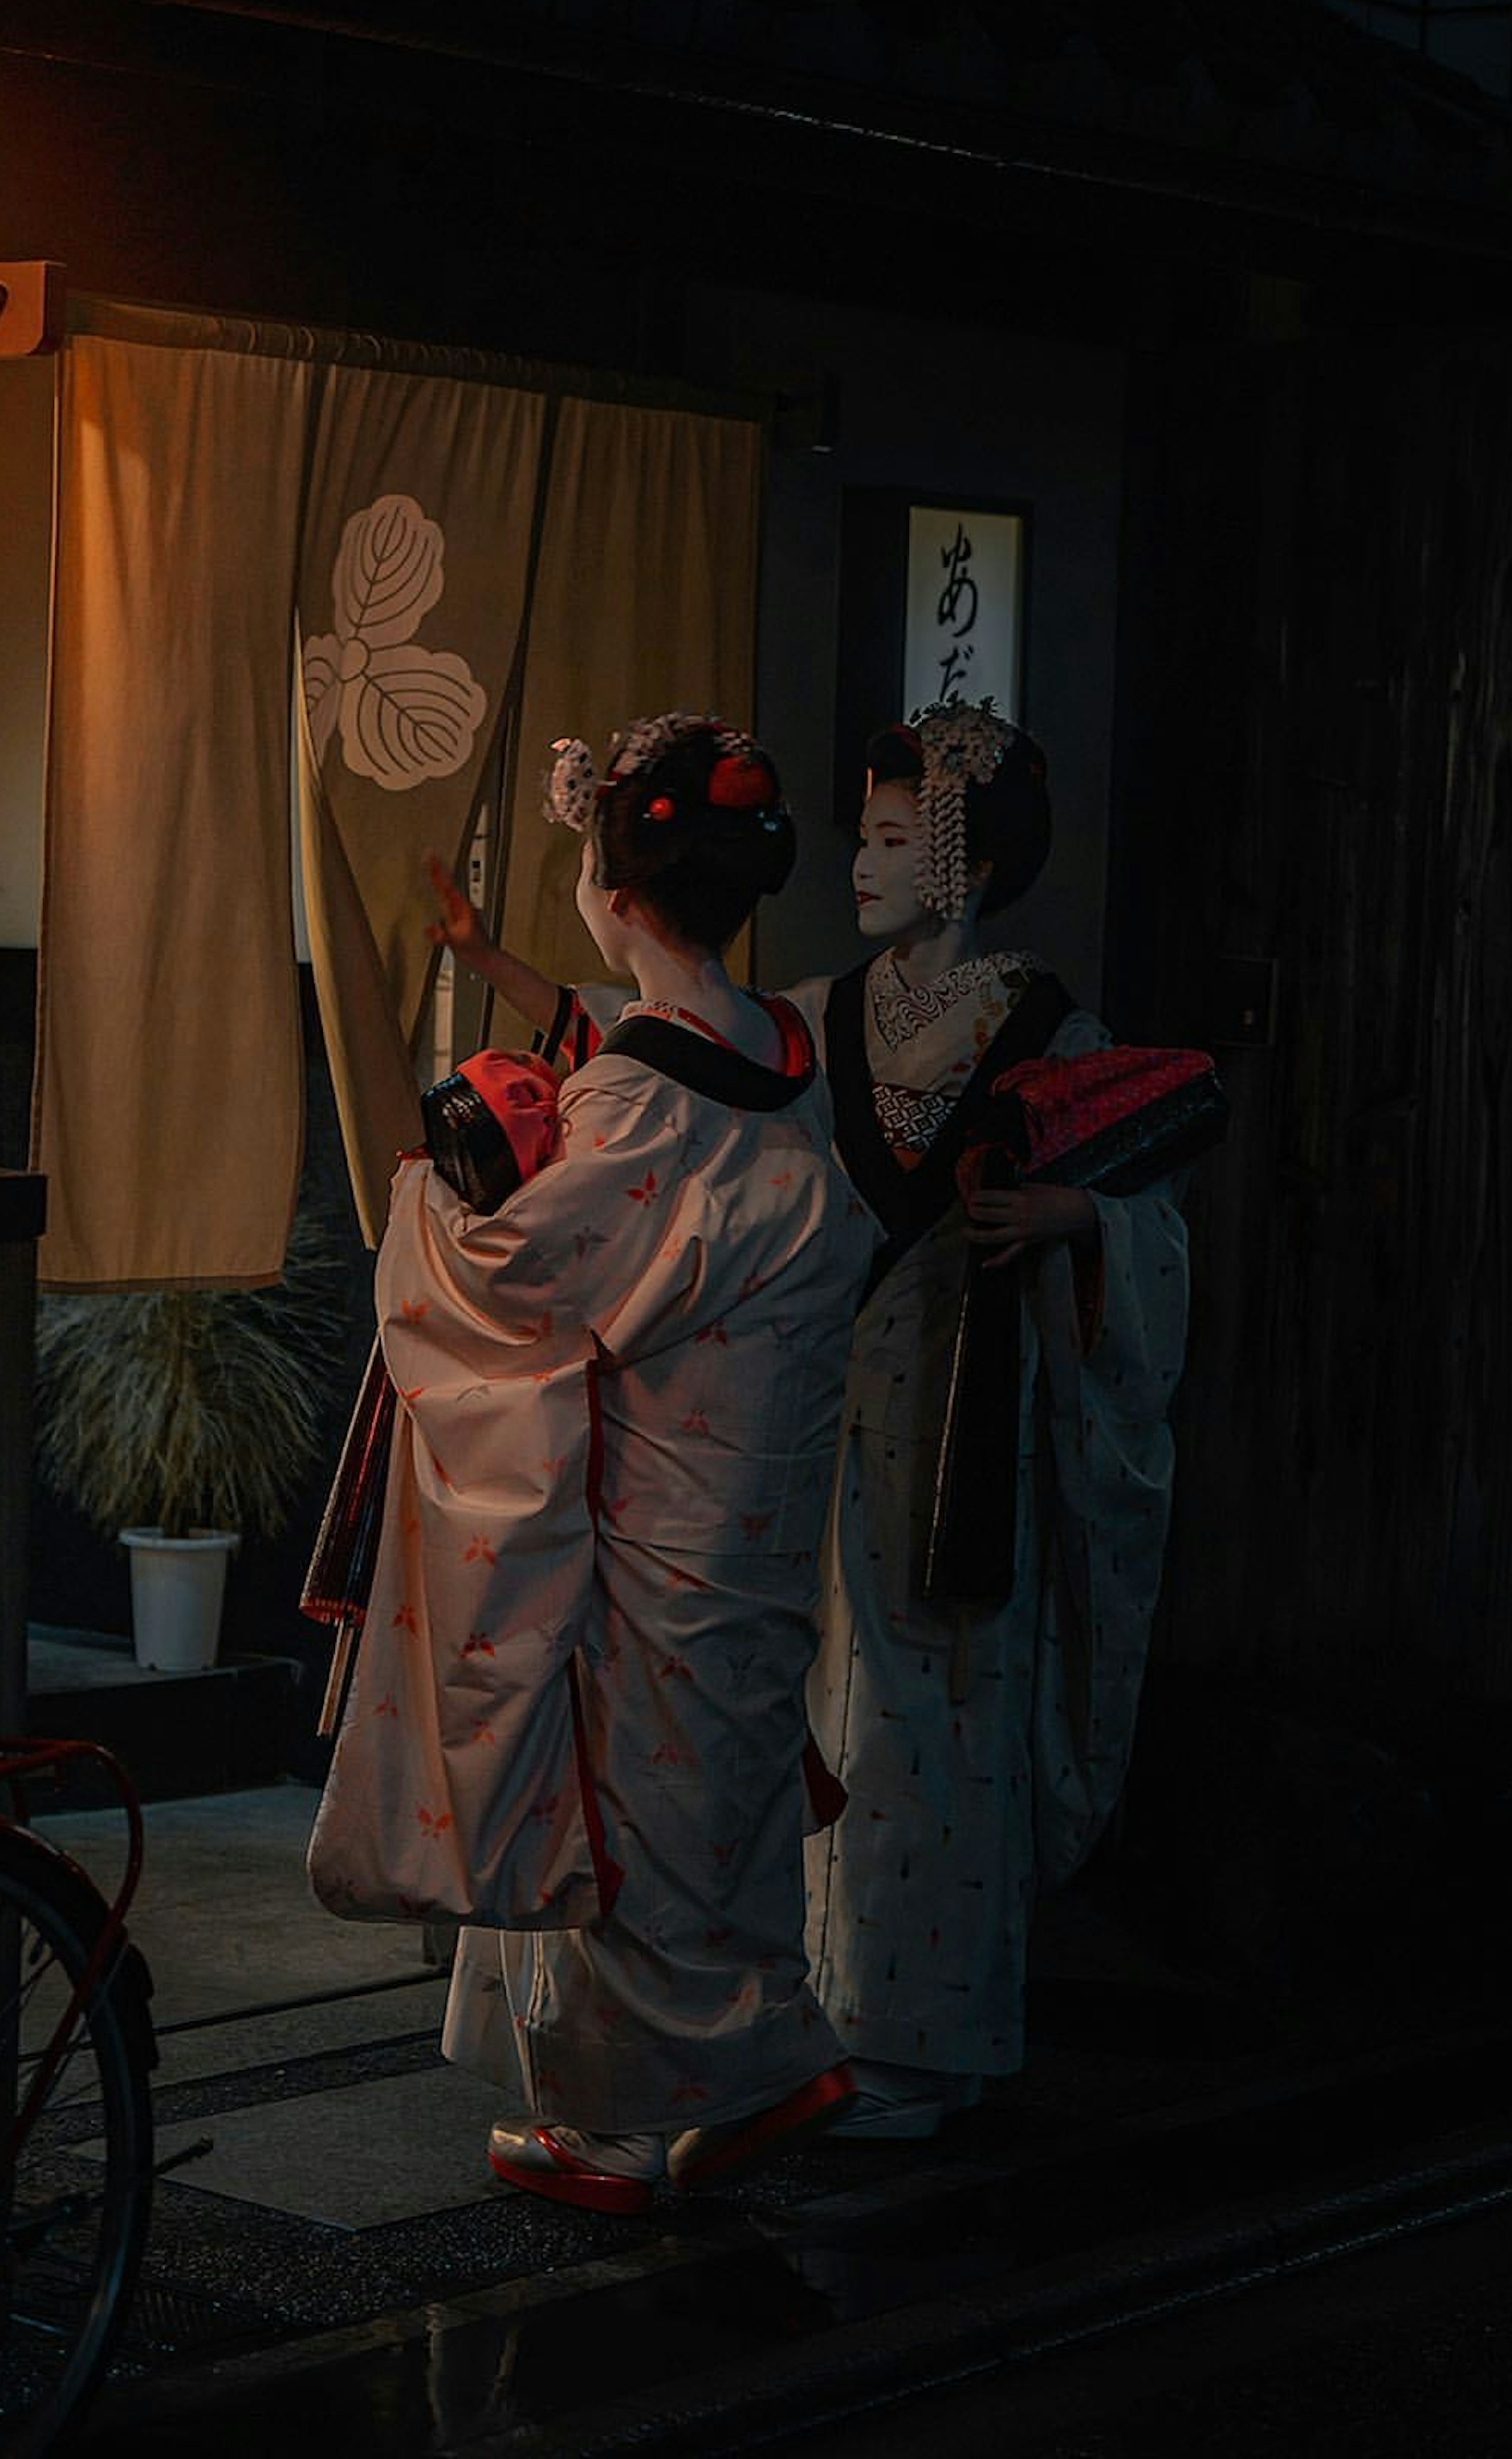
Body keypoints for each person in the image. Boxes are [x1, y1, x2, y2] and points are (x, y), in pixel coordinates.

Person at [427, 699, 1192, 2140]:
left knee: (920, 1722)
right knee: (777, 1722)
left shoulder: (1045, 1025)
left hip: (955, 1404)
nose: (863, 861)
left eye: (897, 838)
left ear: (960, 865)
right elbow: (661, 1063)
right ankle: (776, 2040)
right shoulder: (816, 1018)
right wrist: (497, 960)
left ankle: (911, 2033)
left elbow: (1150, 1206)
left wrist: (1077, 1213)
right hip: (800, 1401)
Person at [307, 712, 877, 2214]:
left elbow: (523, 1282)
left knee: (631, 1799)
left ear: (619, 895)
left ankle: (658, 2109)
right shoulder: (782, 1051)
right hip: (758, 1490)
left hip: (660, 1486)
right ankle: (745, 2051)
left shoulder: (635, 1089)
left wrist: (426, 1201)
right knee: (733, 1765)